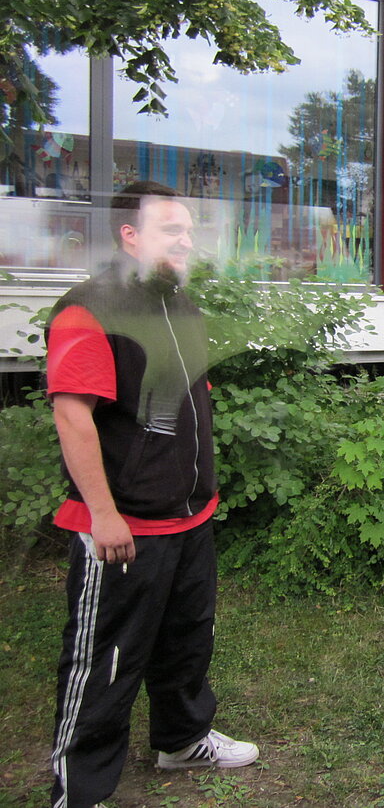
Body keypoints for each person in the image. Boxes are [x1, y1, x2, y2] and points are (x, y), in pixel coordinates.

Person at [47, 181, 258, 808]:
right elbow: (73, 416)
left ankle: (182, 741)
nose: (187, 241)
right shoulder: (90, 310)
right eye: (172, 230)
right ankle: (79, 791)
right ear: (130, 236)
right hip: (124, 526)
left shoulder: (179, 305)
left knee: (188, 641)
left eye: (189, 230)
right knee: (104, 661)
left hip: (188, 517)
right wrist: (104, 515)